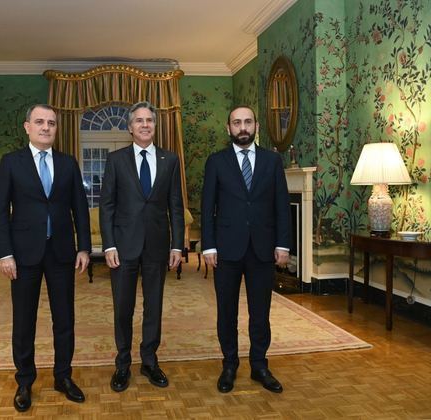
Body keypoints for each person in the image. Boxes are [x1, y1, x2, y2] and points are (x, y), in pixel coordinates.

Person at [0, 104, 91, 412]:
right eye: (39, 122)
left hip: (61, 252)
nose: (46, 127)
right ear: (27, 127)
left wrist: (84, 247)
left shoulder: (68, 163)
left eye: (51, 123)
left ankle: (63, 377)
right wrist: (5, 253)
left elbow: (80, 207)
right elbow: (0, 212)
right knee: (24, 321)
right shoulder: (11, 163)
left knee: (65, 319)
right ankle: (24, 381)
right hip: (23, 254)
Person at [201, 105, 291, 394]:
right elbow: (207, 208)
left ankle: (259, 365)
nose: (243, 127)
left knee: (260, 313)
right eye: (237, 122)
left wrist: (283, 244)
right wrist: (208, 246)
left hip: (263, 249)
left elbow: (282, 205)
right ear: (228, 128)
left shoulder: (272, 161)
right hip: (226, 249)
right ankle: (229, 365)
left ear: (256, 127)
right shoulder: (216, 162)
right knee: (226, 312)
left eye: (248, 122)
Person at [99, 101, 185, 392]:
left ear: (155, 126)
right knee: (123, 307)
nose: (145, 124)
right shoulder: (116, 160)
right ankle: (122, 363)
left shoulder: (170, 160)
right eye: (139, 120)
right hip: (123, 246)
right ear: (130, 127)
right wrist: (109, 245)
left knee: (154, 306)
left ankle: (149, 360)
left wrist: (177, 246)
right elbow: (107, 206)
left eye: (149, 120)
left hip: (157, 246)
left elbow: (176, 205)